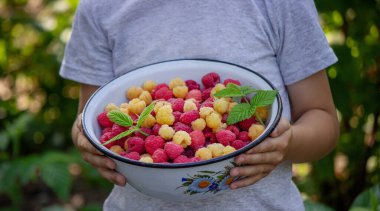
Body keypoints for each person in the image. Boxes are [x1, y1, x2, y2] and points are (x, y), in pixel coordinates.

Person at [60, 0, 340, 210]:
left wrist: (285, 144)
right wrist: (86, 141)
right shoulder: (100, 8)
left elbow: (322, 119)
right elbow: (90, 121)